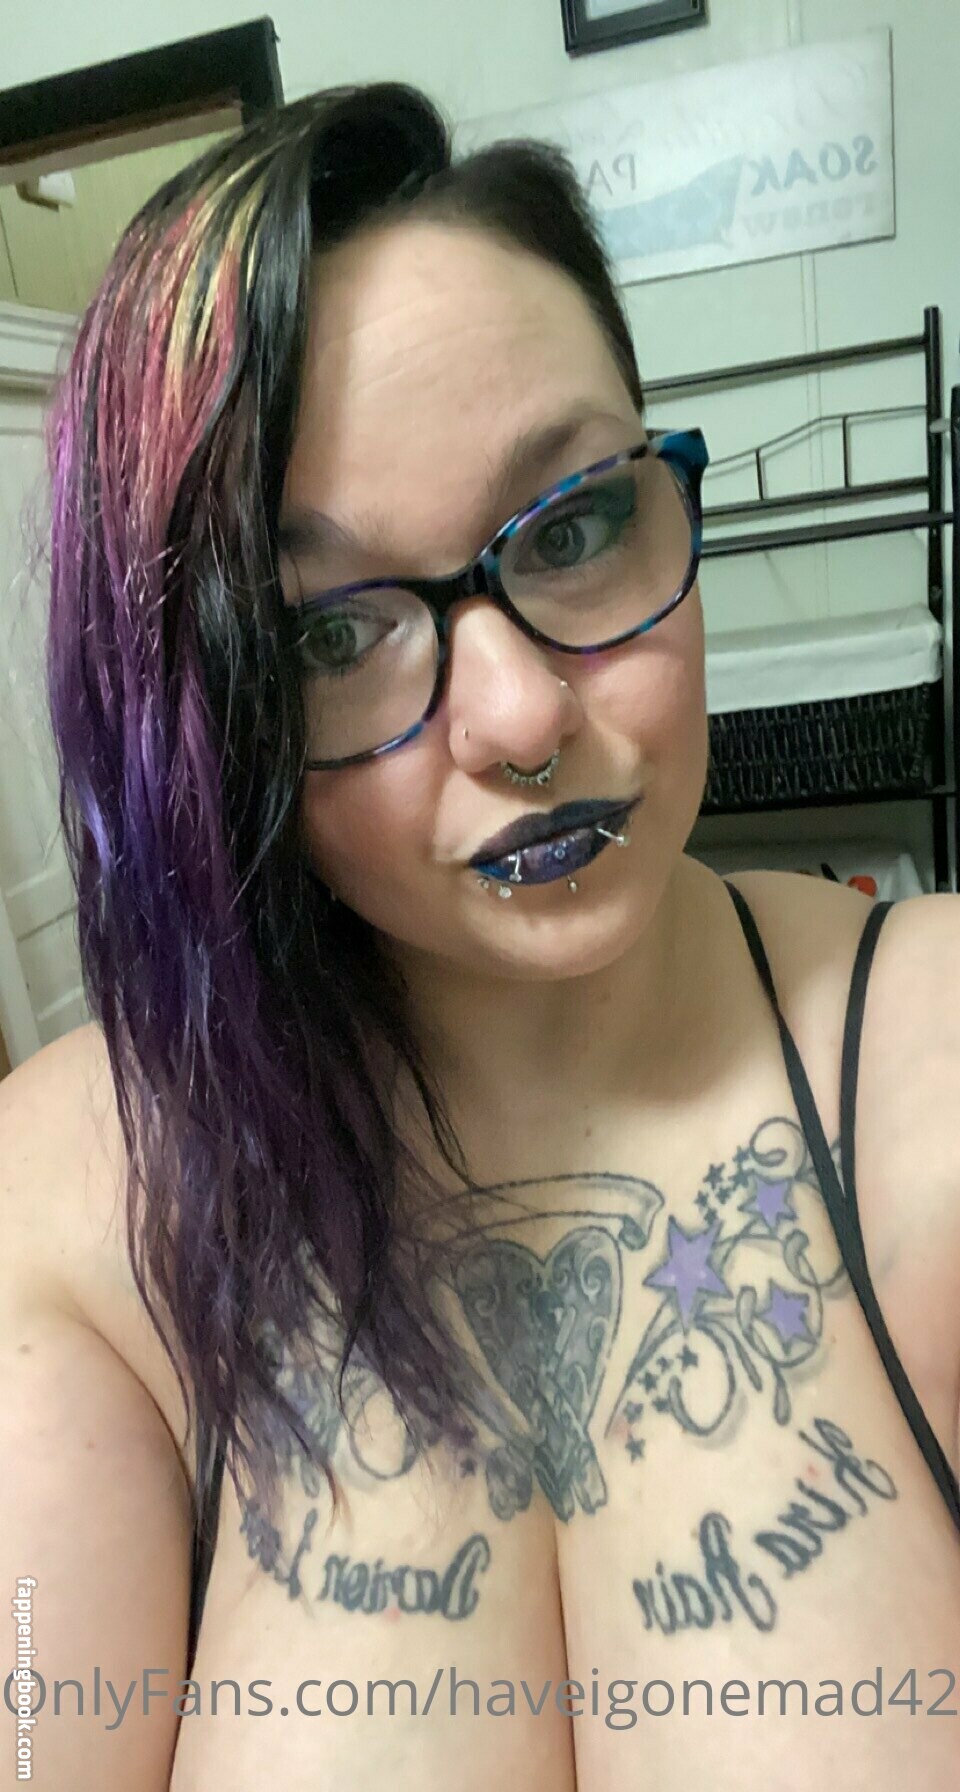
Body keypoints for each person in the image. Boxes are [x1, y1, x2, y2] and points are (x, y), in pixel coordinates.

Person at [1, 80, 959, 1792]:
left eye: (575, 527)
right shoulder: (79, 1206)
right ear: (204, 723)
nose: (520, 717)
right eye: (328, 636)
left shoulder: (937, 1079)